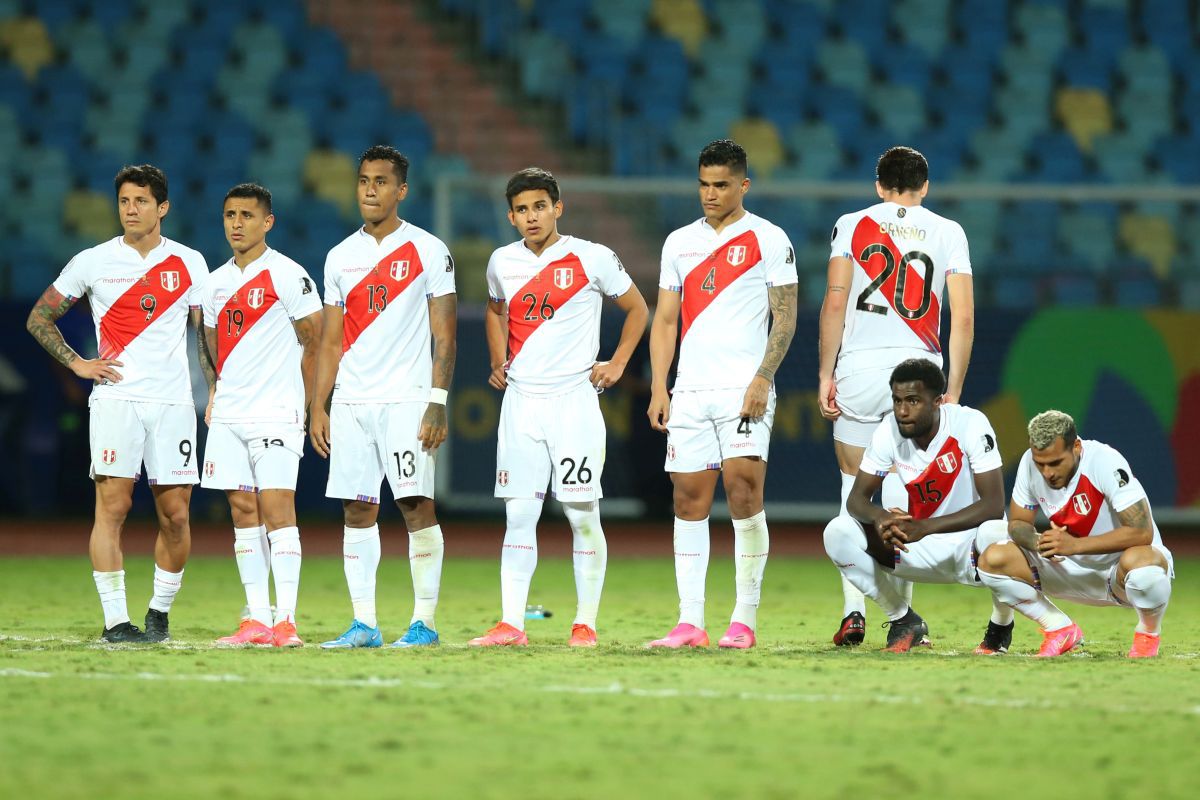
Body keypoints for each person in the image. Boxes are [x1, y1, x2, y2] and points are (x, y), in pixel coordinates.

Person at [25, 164, 209, 643]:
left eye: (141, 201)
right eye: (125, 201)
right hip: (116, 400)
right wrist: (77, 363)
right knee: (113, 509)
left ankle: (159, 612)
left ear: (162, 207)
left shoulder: (189, 262)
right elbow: (40, 317)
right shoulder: (93, 261)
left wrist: (218, 389)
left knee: (176, 516)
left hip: (172, 403)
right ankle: (115, 623)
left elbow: (207, 337)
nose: (131, 209)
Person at [469, 167, 648, 647]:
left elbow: (638, 308)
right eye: (522, 209)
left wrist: (617, 362)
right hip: (521, 403)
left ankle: (584, 622)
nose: (532, 217)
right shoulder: (501, 262)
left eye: (540, 206)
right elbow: (494, 308)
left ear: (557, 208)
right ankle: (511, 624)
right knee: (519, 515)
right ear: (511, 216)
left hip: (574, 402)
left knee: (580, 512)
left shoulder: (591, 257)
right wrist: (497, 359)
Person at [817, 145, 976, 646]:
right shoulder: (949, 231)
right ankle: (901, 618)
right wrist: (951, 389)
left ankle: (856, 611)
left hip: (861, 369)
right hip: (920, 371)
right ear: (925, 187)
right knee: (902, 492)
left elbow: (835, 302)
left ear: (878, 186)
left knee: (853, 491)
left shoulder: (852, 222)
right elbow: (964, 318)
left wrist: (826, 372)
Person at [645, 139, 798, 649]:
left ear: (743, 185)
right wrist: (659, 385)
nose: (710, 194)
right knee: (687, 499)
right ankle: (690, 622)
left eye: (721, 185)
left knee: (741, 491)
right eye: (704, 185)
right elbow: (665, 319)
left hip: (742, 388)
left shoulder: (768, 239)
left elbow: (786, 315)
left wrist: (762, 379)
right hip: (690, 389)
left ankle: (744, 620)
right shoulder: (677, 243)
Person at [310, 145, 457, 649]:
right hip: (352, 402)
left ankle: (425, 623)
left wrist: (437, 398)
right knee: (357, 509)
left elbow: (445, 334)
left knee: (415, 504)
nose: (370, 189)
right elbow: (330, 340)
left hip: (406, 399)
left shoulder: (428, 249)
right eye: (363, 180)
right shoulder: (339, 256)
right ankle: (364, 624)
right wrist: (319, 405)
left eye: (381, 181)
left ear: (401, 191)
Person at [199, 183, 323, 648]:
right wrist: (214, 390)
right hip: (230, 413)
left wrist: (309, 405)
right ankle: (256, 619)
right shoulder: (213, 283)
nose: (236, 223)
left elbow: (316, 341)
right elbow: (207, 342)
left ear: (268, 222)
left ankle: (286, 620)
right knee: (241, 510)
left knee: (277, 511)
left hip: (276, 412)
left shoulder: (288, 275)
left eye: (247, 215)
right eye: (230, 214)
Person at [823, 359, 1009, 653]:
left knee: (998, 532)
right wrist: (881, 517)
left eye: (913, 401)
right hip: (915, 547)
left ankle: (1000, 626)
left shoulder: (970, 423)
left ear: (938, 402)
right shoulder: (888, 430)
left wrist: (926, 526)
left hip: (971, 550)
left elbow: (994, 505)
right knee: (837, 531)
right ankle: (904, 619)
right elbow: (856, 499)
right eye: (897, 400)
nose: (902, 411)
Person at [976, 410, 1173, 658]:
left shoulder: (1105, 461)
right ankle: (1059, 627)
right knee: (990, 548)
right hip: (1066, 568)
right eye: (1041, 463)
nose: (1047, 472)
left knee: (1145, 568)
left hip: (1119, 575)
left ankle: (1147, 635)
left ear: (1076, 447)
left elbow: (1141, 531)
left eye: (1056, 462)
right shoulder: (1029, 463)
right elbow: (1017, 523)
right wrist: (1038, 542)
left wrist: (1074, 546)